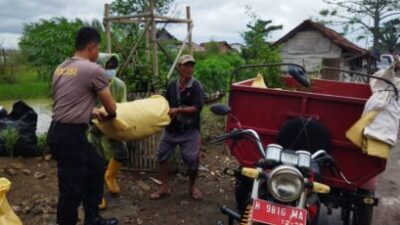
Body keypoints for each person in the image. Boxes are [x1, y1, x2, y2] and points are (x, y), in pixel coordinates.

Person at [47, 27, 118, 225]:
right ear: (92, 47)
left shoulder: (62, 67)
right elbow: (111, 107)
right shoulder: (93, 69)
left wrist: (91, 111)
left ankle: (93, 218)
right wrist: (109, 115)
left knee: (95, 169)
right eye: (98, 49)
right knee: (71, 188)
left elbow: (68, 101)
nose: (98, 53)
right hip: (70, 135)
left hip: (59, 131)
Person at [150, 54, 205, 201]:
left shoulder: (196, 86)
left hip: (189, 130)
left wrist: (179, 110)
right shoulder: (172, 85)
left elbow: (197, 107)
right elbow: (166, 104)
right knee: (161, 155)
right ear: (179, 67)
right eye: (186, 65)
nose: (189, 68)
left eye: (191, 65)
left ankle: (192, 186)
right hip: (172, 129)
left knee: (191, 159)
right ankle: (164, 187)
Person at [88, 53, 128, 209]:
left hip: (112, 122)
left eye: (113, 67)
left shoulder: (119, 85)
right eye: (107, 67)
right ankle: (96, 194)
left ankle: (110, 177)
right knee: (95, 160)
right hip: (94, 125)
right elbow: (86, 107)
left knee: (122, 153)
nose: (111, 70)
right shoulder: (91, 84)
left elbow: (123, 106)